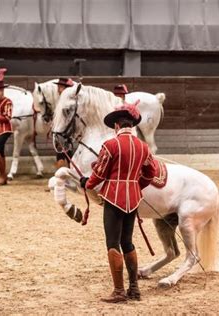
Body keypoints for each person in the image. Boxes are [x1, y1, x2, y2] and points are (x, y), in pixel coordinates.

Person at [79, 101, 156, 303]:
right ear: (131, 125)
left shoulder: (110, 145)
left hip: (113, 198)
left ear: (116, 126)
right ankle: (134, 289)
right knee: (127, 242)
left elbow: (99, 175)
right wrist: (136, 185)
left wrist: (87, 182)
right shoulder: (143, 146)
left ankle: (119, 291)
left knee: (113, 243)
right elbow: (151, 172)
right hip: (133, 197)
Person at [54, 78, 75, 169]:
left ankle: (62, 177)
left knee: (62, 155)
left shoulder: (66, 102)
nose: (58, 89)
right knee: (68, 155)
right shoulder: (64, 100)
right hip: (64, 132)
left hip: (63, 132)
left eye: (61, 87)